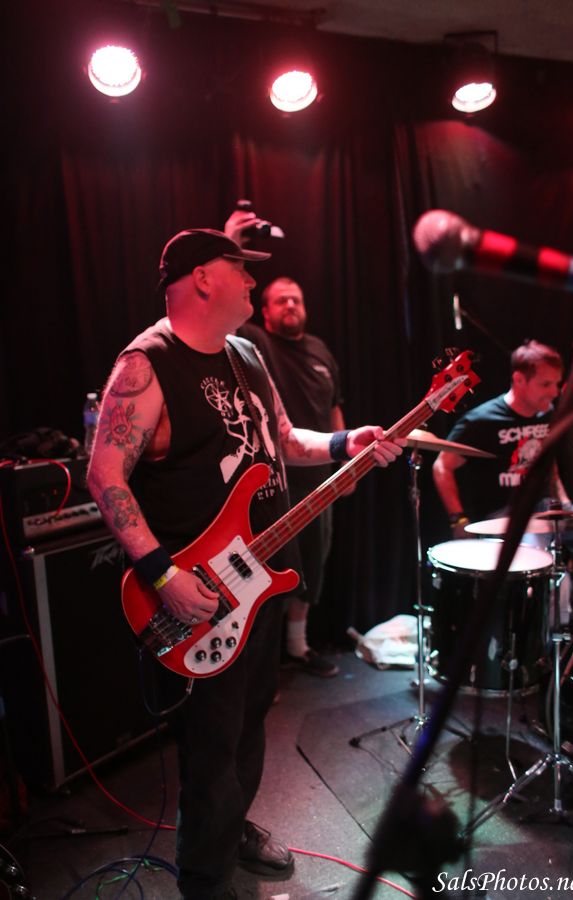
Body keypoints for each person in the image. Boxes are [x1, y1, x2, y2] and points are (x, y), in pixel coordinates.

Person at [86, 227, 404, 900]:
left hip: (260, 579)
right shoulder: (147, 364)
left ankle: (231, 832)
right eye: (241, 268)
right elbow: (104, 474)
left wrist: (346, 441)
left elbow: (283, 440)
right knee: (212, 740)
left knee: (252, 721)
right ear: (202, 278)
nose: (254, 281)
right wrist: (164, 576)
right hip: (198, 595)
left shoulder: (248, 355)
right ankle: (205, 877)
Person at [237, 276, 346, 677]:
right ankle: (263, 664)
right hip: (272, 482)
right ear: (264, 311)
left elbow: (335, 407)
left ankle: (297, 647)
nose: (290, 306)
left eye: (296, 300)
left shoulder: (320, 350)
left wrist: (346, 461)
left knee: (313, 564)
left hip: (321, 478)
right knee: (267, 571)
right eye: (280, 300)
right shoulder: (255, 345)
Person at [432, 340, 573, 538]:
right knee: (532, 541)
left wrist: (564, 503)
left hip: (544, 510)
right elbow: (442, 466)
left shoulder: (548, 414)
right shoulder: (481, 420)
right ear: (519, 379)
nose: (554, 392)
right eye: (545, 384)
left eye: (556, 384)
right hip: (501, 517)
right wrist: (458, 519)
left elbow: (550, 465)